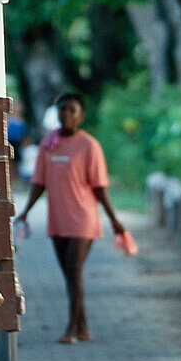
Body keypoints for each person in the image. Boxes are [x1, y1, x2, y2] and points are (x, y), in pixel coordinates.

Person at [15, 93, 125, 344]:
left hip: (83, 220)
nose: (66, 115)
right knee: (70, 275)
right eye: (62, 110)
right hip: (58, 220)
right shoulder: (48, 145)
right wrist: (26, 211)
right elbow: (38, 183)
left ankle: (71, 329)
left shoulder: (89, 146)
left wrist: (114, 220)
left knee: (75, 270)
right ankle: (84, 327)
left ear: (81, 115)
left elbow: (99, 188)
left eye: (72, 110)